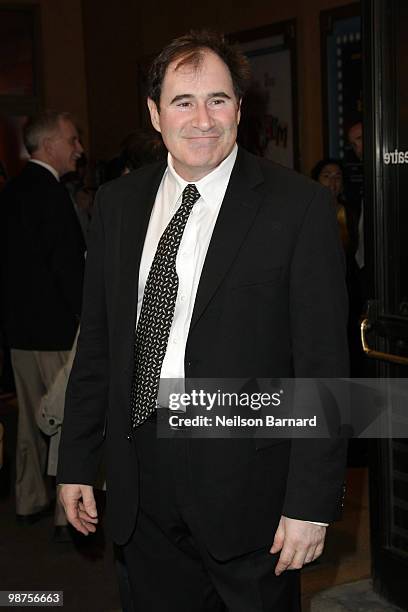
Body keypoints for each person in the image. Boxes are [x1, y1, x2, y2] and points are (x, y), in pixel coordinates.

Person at [58, 31, 348, 611]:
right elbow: (99, 346)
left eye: (218, 99)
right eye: (182, 102)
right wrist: (76, 462)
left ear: (240, 108)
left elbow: (321, 366)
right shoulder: (117, 206)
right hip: (142, 484)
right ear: (154, 113)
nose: (202, 119)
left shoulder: (298, 207)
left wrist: (310, 502)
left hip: (252, 494)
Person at [0, 111, 85, 540]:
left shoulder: (10, 191)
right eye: (72, 139)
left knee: (30, 422)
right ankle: (64, 514)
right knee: (62, 419)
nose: (79, 148)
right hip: (54, 330)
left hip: (18, 332)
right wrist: (86, 319)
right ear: (50, 144)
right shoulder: (52, 195)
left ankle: (30, 499)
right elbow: (68, 269)